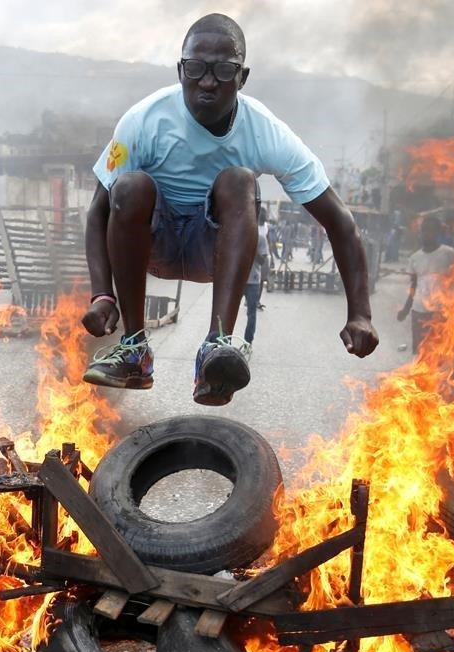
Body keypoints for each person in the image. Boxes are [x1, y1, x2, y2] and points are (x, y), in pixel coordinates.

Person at [79, 14, 378, 405]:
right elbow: (98, 212)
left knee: (239, 180)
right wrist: (103, 295)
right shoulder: (143, 120)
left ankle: (215, 347)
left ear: (243, 76)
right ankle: (135, 349)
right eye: (196, 68)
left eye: (223, 70)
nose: (207, 81)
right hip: (155, 246)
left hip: (214, 250)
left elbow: (340, 223)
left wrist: (361, 313)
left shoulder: (265, 131)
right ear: (180, 69)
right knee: (130, 185)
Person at [398, 216, 454, 354]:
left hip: (440, 311)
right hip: (418, 310)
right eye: (424, 231)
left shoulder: (449, 254)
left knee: (437, 351)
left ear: (438, 233)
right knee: (419, 351)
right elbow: (413, 286)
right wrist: (406, 309)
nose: (427, 234)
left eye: (431, 231)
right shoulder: (414, 258)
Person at [242, 210, 271, 347]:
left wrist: (252, 249)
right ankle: (226, 340)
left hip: (253, 281)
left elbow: (261, 261)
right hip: (238, 281)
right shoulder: (239, 235)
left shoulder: (261, 238)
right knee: (229, 312)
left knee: (251, 313)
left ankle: (248, 341)